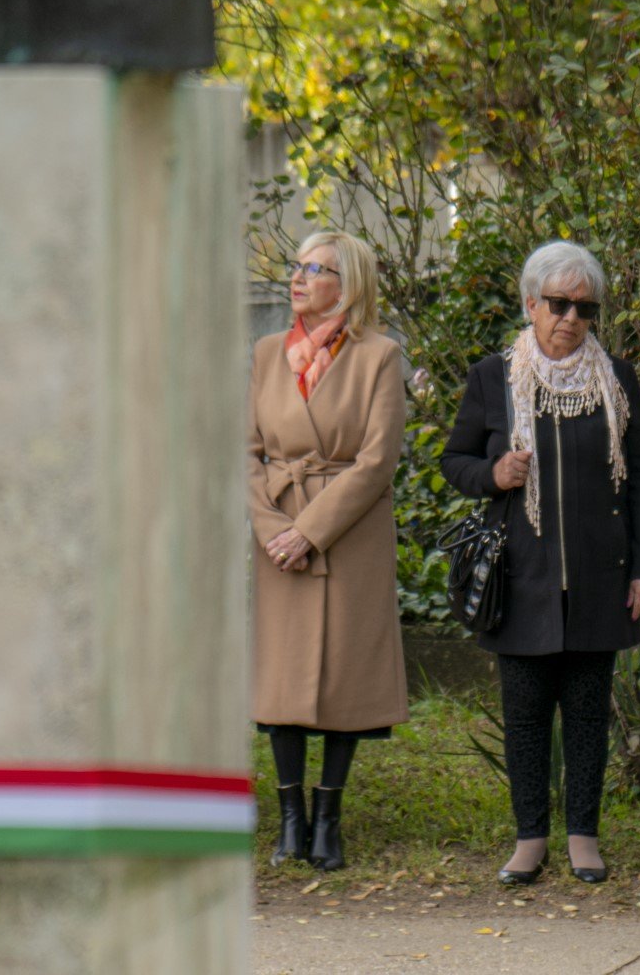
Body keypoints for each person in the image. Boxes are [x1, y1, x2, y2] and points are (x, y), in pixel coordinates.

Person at [440, 241, 640, 885]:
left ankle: (583, 836)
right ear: (530, 304)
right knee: (527, 715)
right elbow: (454, 462)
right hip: (522, 577)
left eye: (584, 306)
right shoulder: (493, 378)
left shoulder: (616, 380)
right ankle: (530, 837)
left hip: (601, 575)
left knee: (590, 713)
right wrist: (494, 473)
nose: (570, 317)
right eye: (558, 304)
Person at [246, 231, 409, 870]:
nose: (299, 277)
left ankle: (328, 821)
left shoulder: (380, 356)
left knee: (345, 676)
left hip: (347, 532)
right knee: (282, 678)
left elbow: (377, 461)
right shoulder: (265, 353)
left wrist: (310, 530)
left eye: (316, 269)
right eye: (298, 266)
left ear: (350, 286)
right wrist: (271, 532)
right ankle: (291, 819)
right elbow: (247, 453)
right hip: (277, 535)